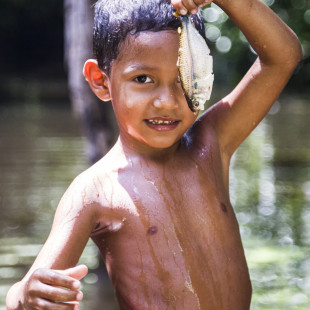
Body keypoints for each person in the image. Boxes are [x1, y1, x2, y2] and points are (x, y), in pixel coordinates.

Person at [6, 0, 302, 308]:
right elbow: (26, 289)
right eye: (143, 79)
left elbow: (283, 56)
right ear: (100, 81)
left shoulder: (210, 144)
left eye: (184, 77)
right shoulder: (94, 191)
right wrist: (27, 296)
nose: (167, 101)